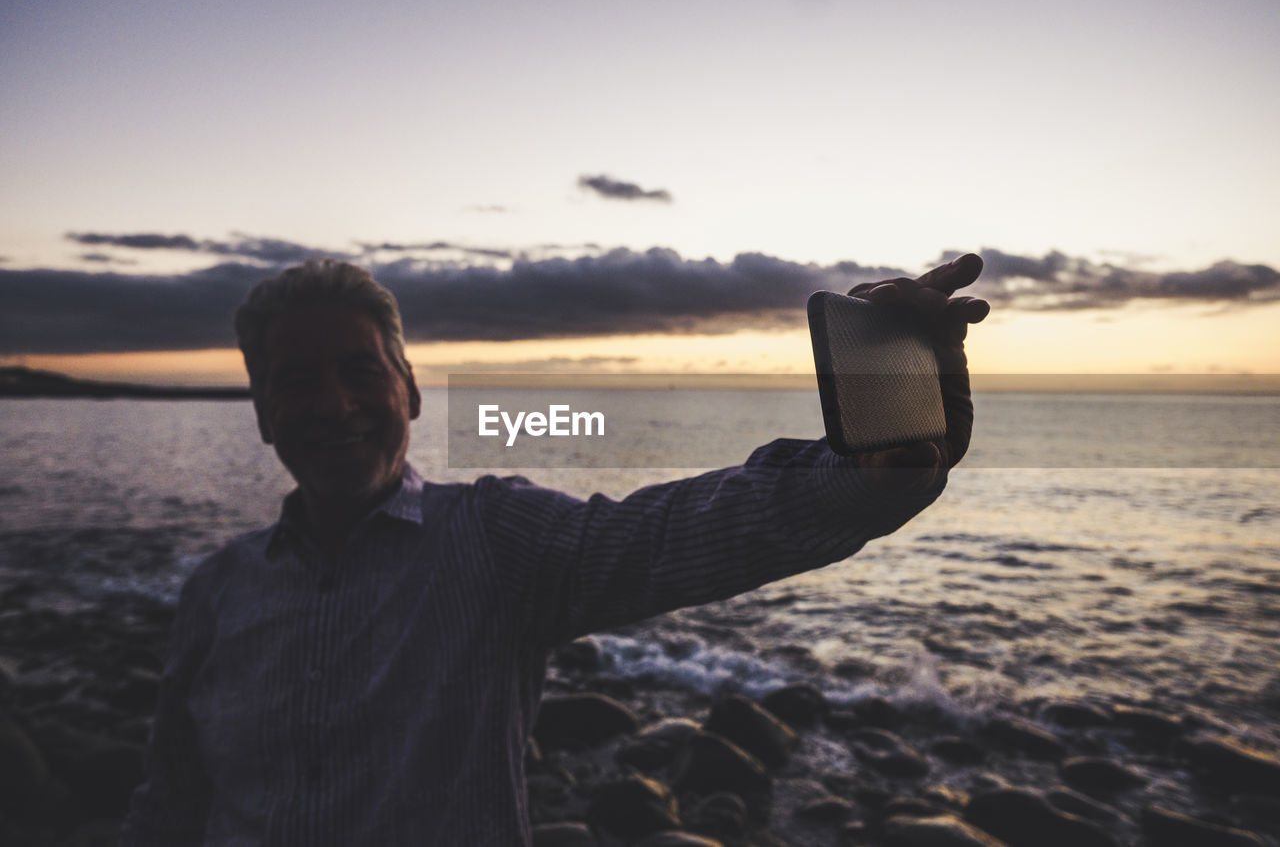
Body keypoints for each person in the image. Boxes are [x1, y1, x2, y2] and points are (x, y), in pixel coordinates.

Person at [119, 255, 990, 845]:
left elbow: (670, 533)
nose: (333, 403)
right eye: (296, 381)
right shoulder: (217, 589)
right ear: (264, 411)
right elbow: (171, 800)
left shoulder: (492, 540)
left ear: (411, 390)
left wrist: (872, 470)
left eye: (360, 371)